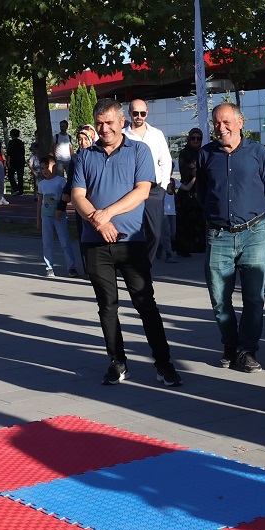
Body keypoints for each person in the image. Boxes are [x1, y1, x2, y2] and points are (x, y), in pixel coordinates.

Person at [70, 99, 181, 387]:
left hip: (131, 242)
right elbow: (77, 196)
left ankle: (164, 363)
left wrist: (107, 214)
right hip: (94, 243)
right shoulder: (85, 156)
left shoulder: (139, 151)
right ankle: (117, 362)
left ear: (122, 122)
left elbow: (143, 191)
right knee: (107, 305)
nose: (104, 128)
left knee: (145, 303)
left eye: (110, 122)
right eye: (100, 123)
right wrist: (99, 221)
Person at [193, 101, 265, 372]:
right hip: (218, 235)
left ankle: (247, 350)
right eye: (217, 123)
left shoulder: (258, 152)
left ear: (240, 123)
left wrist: (262, 215)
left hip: (253, 233)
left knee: (254, 297)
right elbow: (203, 191)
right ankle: (230, 344)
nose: (221, 128)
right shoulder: (206, 154)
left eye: (227, 121)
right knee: (219, 298)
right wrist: (212, 215)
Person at [127, 99, 174, 260]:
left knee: (155, 233)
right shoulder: (123, 136)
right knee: (132, 232)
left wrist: (163, 185)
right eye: (135, 113)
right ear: (129, 113)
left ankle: (145, 265)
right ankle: (135, 268)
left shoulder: (156, 134)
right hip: (131, 190)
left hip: (155, 190)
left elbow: (166, 160)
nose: (139, 116)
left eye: (142, 113)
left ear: (147, 113)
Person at [36, 154, 82, 279]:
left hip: (59, 216)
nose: (45, 170)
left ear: (54, 167)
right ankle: (49, 267)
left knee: (65, 241)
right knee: (47, 242)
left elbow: (66, 197)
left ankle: (71, 267)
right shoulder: (41, 184)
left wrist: (62, 209)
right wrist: (38, 219)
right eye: (42, 168)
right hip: (46, 217)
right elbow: (40, 202)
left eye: (47, 167)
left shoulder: (61, 181)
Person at [175, 126, 207, 256]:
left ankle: (199, 246)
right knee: (185, 222)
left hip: (200, 191)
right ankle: (183, 248)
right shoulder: (184, 152)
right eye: (193, 138)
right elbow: (187, 171)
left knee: (200, 221)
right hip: (187, 192)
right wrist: (196, 173)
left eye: (198, 139)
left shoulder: (203, 152)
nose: (195, 141)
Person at [6, 129, 27, 198]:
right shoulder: (21, 142)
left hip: (13, 161)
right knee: (20, 176)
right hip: (21, 161)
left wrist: (8, 162)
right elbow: (23, 152)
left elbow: (9, 153)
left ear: (11, 135)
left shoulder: (11, 142)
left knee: (10, 175)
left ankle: (16, 189)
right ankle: (21, 191)